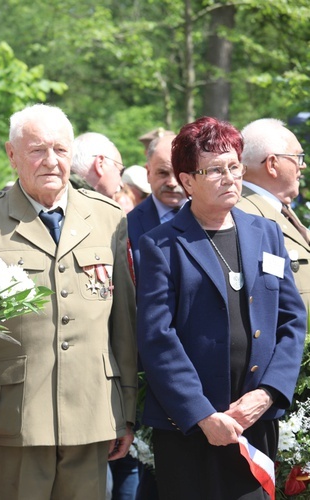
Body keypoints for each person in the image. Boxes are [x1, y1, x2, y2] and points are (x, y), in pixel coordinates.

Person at [0, 104, 137, 500]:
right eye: (37, 150)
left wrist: (127, 411)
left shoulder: (108, 218)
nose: (51, 161)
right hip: (16, 418)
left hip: (93, 410)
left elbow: (122, 324)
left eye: (60, 150)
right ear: (12, 155)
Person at [136, 116, 307, 500]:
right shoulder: (160, 245)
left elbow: (292, 320)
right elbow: (156, 337)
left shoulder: (266, 232)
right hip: (190, 429)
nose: (230, 177)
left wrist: (268, 393)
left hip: (255, 419)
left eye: (234, 167)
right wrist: (201, 414)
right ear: (187, 180)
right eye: (215, 170)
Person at [237, 118, 310, 314]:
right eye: (298, 157)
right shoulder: (246, 215)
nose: (302, 166)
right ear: (272, 164)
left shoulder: (279, 209)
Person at [127, 132, 187, 279]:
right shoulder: (128, 226)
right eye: (163, 173)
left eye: (179, 174)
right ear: (148, 173)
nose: (172, 183)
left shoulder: (214, 217)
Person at [70, 132, 125, 198]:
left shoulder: (60, 196)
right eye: (121, 172)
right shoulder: (90, 205)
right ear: (100, 163)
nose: (122, 184)